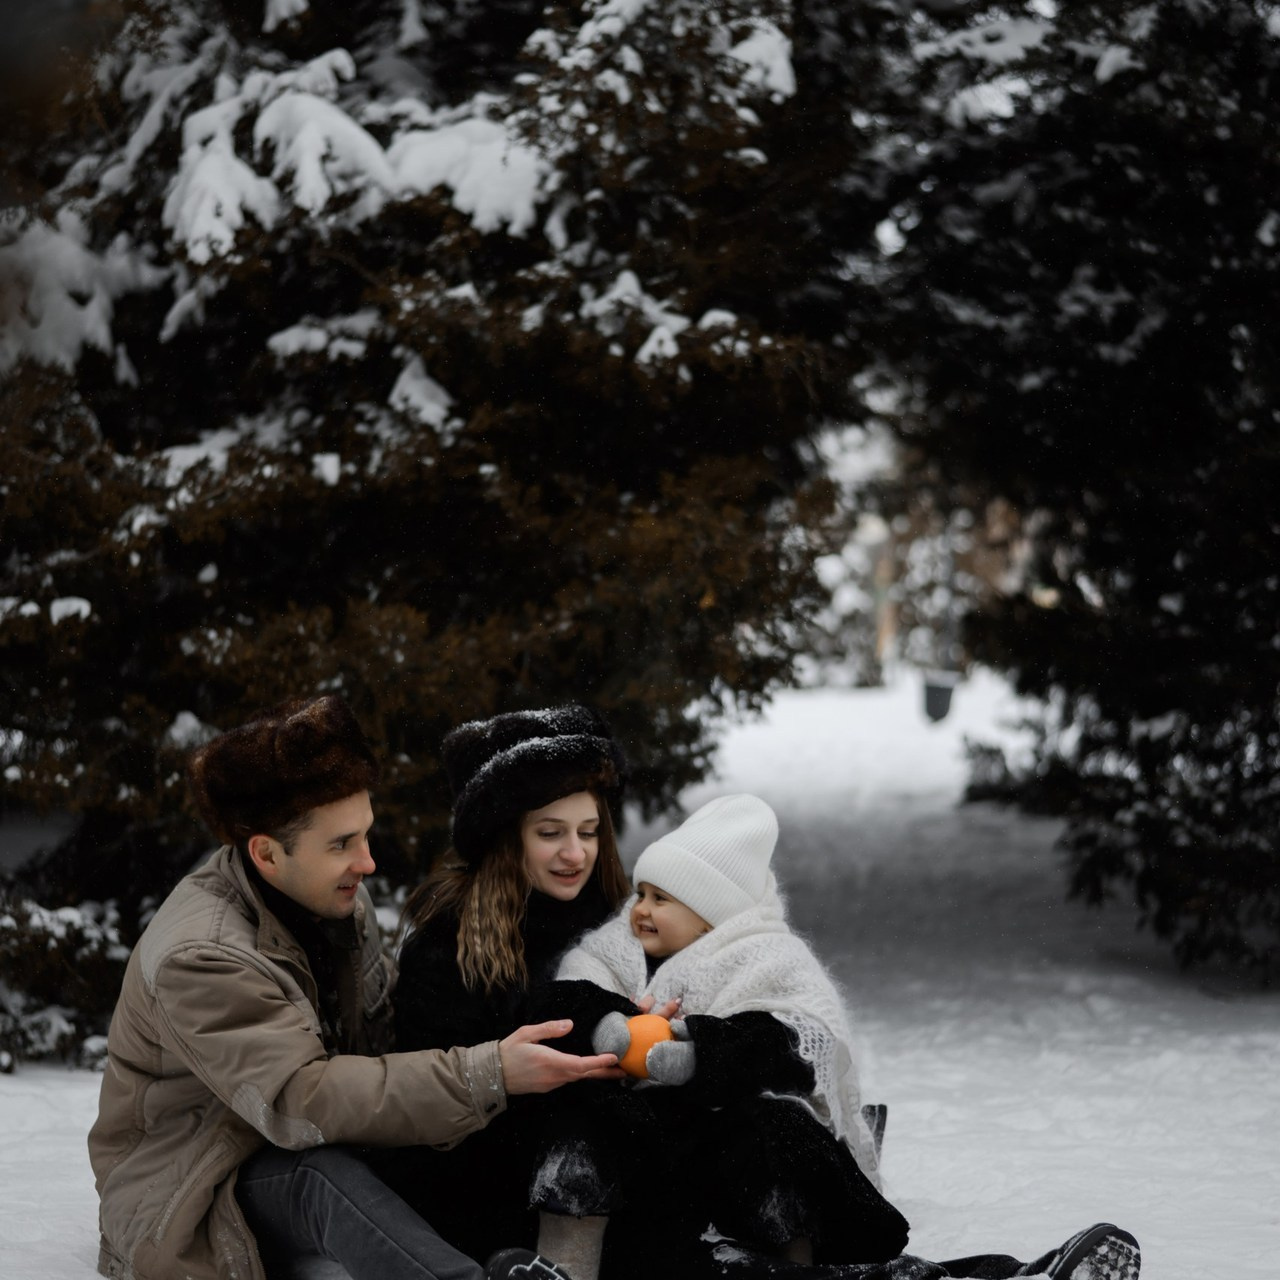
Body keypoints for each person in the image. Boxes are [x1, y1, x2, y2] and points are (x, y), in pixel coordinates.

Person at [87, 694, 617, 1280]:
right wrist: (486, 1071)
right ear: (266, 853)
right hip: (197, 1185)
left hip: (309, 1146)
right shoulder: (202, 956)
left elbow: (384, 1043)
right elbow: (302, 1100)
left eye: (365, 835)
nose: (367, 863)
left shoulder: (331, 900)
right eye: (342, 844)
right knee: (322, 1173)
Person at [525, 794, 1142, 1280]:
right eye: (641, 892)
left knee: (773, 1145)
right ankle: (561, 1269)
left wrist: (699, 1056)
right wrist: (608, 1023)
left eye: (663, 898)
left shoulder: (766, 957)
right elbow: (568, 999)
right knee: (588, 1135)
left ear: (714, 915)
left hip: (730, 1167)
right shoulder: (612, 951)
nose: (640, 909)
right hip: (650, 1170)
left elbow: (795, 1040)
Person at [379, 704, 640, 1265]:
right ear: (506, 837)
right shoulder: (448, 946)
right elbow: (432, 1110)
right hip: (495, 1192)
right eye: (551, 834)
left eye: (589, 832)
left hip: (630, 1174)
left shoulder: (624, 920)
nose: (576, 853)